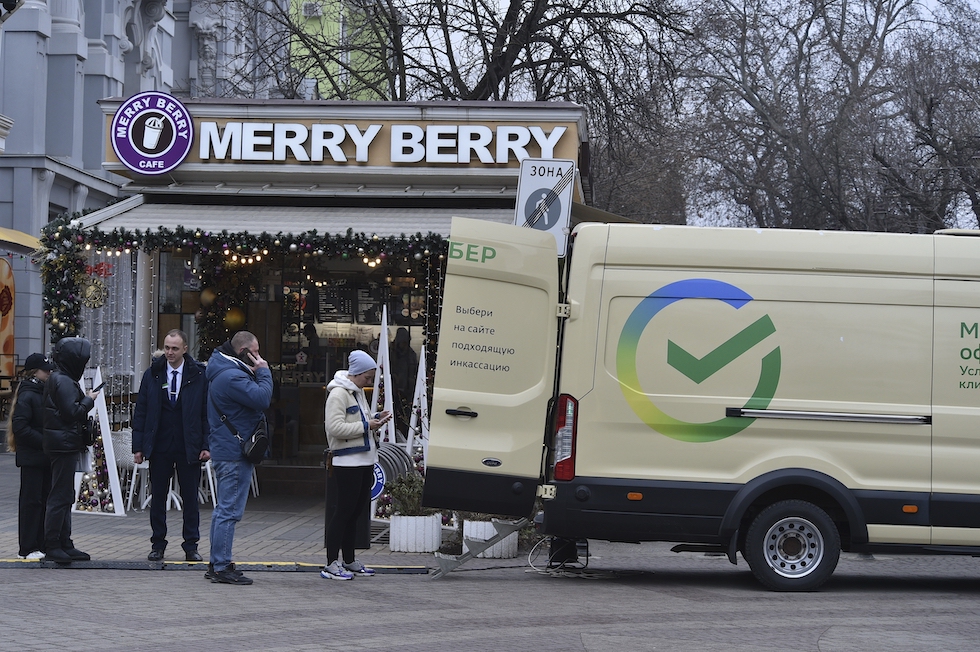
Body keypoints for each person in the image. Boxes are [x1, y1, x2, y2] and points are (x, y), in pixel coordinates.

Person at [132, 329, 210, 562]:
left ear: (185, 349)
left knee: (190, 498)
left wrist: (206, 444)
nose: (169, 352)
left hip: (190, 444)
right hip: (160, 444)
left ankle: (190, 545)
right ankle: (158, 544)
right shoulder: (153, 374)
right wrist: (139, 447)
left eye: (174, 348)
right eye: (166, 347)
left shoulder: (198, 375)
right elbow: (142, 411)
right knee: (158, 497)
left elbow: (206, 413)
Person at [205, 331, 273, 585]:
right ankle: (221, 566)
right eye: (255, 352)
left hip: (227, 449)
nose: (259, 357)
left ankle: (217, 562)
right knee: (229, 511)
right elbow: (262, 398)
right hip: (234, 452)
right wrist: (264, 371)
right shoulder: (232, 376)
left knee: (223, 510)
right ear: (243, 351)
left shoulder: (224, 370)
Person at [321, 349, 391, 580]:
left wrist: (376, 419)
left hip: (364, 460)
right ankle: (331, 563)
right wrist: (368, 426)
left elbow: (359, 423)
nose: (368, 382)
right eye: (367, 377)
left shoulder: (357, 392)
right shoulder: (339, 394)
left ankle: (349, 560)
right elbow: (334, 428)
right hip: (347, 461)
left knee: (354, 513)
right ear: (357, 373)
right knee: (343, 512)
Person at [41, 337, 99, 563]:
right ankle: (54, 544)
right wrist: (89, 400)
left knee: (64, 495)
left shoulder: (60, 378)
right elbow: (71, 412)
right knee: (60, 495)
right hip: (63, 444)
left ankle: (63, 542)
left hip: (62, 442)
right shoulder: (63, 381)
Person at [7, 353, 57, 559]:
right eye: (46, 370)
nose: (49, 373)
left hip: (42, 456)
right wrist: (45, 441)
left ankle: (39, 543)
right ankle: (27, 547)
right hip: (33, 457)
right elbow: (21, 427)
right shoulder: (29, 394)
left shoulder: (40, 392)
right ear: (35, 372)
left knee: (42, 501)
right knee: (31, 503)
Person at [389, 327, 418, 437]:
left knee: (405, 415)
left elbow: (413, 373)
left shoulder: (410, 354)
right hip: (393, 390)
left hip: (407, 391)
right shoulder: (392, 353)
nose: (404, 345)